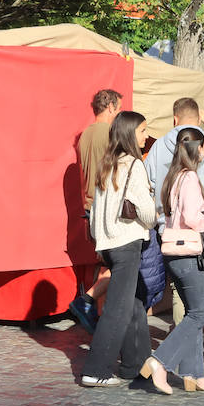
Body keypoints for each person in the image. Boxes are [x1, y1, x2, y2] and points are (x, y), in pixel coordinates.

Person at [145, 98, 204, 361]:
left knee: (179, 286)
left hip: (172, 228)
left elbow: (148, 179)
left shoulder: (158, 147)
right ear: (197, 118)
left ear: (174, 118)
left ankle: (182, 335)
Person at [80, 111, 156, 385]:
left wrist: (100, 240)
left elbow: (95, 210)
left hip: (109, 243)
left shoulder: (107, 163)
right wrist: (154, 217)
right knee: (118, 309)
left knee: (133, 304)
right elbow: (147, 212)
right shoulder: (134, 165)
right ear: (129, 134)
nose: (146, 136)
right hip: (126, 242)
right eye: (143, 130)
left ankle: (136, 365)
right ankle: (96, 370)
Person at [142, 127, 204, 394]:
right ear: (199, 148)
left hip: (173, 252)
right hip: (188, 253)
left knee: (191, 313)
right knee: (199, 314)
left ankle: (193, 373)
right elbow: (192, 217)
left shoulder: (174, 176)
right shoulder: (190, 178)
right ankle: (160, 361)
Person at [69, 88, 124, 333]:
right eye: (119, 108)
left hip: (90, 205)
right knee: (121, 262)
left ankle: (95, 311)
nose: (119, 113)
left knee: (102, 262)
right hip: (106, 207)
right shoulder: (110, 133)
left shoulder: (85, 134)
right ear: (110, 106)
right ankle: (88, 302)